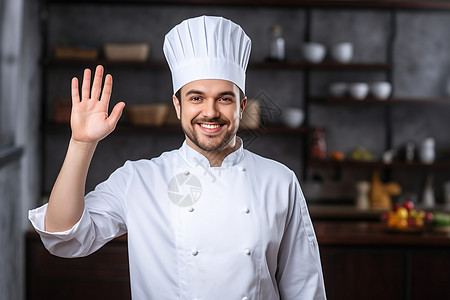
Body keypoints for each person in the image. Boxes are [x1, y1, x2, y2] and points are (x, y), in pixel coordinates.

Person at [29, 16, 326, 299]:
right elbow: (63, 237)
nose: (210, 112)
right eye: (196, 98)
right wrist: (81, 143)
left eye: (224, 98)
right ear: (177, 105)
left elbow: (304, 288)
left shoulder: (279, 181)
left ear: (242, 105)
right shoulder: (140, 180)